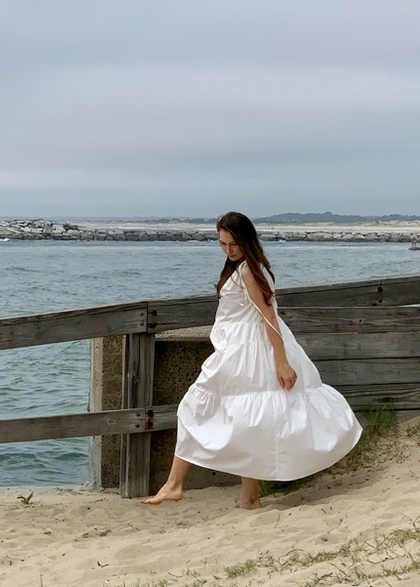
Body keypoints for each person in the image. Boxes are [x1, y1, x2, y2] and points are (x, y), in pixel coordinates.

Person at [144, 211, 362, 509]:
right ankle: (245, 497)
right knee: (250, 420)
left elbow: (268, 316)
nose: (228, 250)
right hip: (240, 349)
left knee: (199, 408)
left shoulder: (249, 270)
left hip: (251, 351)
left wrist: (282, 361)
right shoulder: (244, 267)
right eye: (222, 244)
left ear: (247, 240)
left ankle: (176, 485)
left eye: (233, 244)